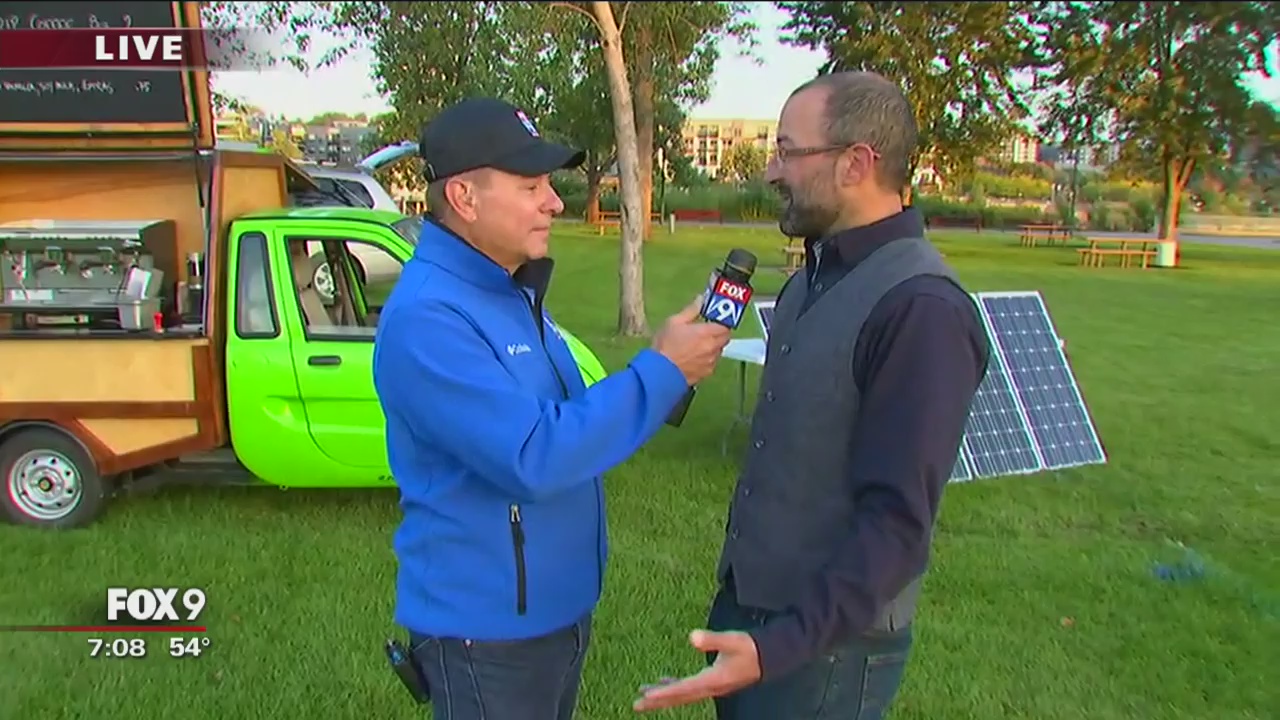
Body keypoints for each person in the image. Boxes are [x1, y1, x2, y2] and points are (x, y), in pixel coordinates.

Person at [633, 71, 991, 718]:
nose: (772, 171)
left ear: (856, 163)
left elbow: (897, 525)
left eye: (787, 152)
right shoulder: (812, 277)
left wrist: (777, 649)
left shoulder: (923, 310)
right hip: (752, 615)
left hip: (825, 653)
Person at [371, 96, 731, 720]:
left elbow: (565, 419)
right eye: (530, 186)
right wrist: (663, 373)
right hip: (487, 632)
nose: (555, 202)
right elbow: (534, 453)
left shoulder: (508, 290)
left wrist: (662, 366)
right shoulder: (429, 318)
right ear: (464, 197)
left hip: (551, 613)